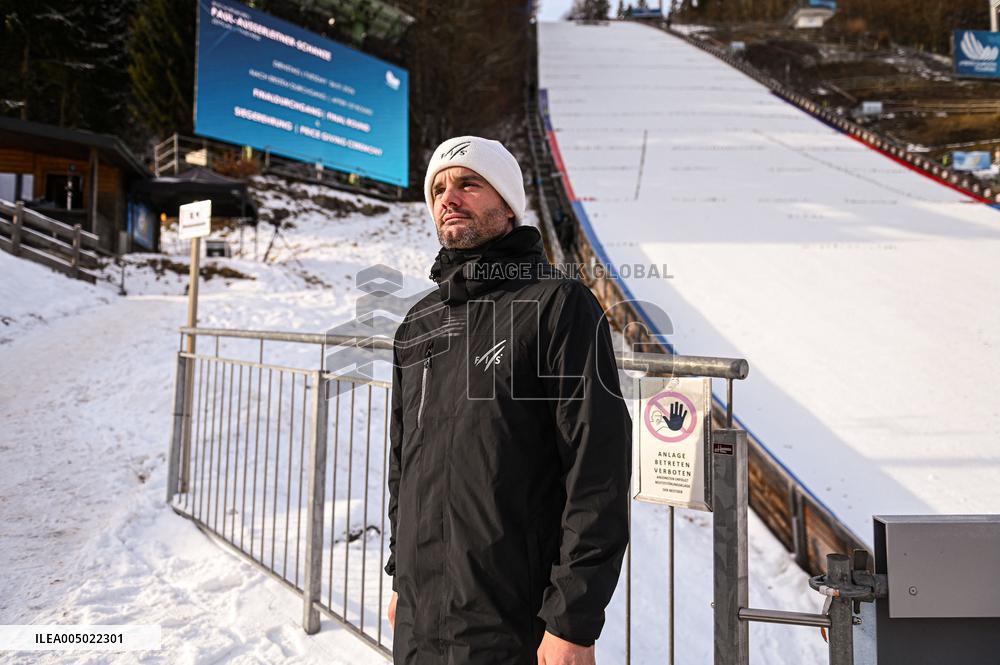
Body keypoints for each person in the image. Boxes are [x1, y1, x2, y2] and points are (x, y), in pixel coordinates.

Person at [384, 135, 632, 665]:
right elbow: (404, 466)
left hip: (514, 623)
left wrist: (573, 620)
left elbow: (597, 471)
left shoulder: (558, 305)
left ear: (508, 203)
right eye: (438, 190)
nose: (449, 198)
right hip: (420, 622)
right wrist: (401, 576)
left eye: (469, 184)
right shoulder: (418, 324)